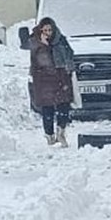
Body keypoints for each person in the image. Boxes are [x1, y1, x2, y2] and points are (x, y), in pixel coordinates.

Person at [29, 17, 76, 147]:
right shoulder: (35, 42)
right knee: (47, 107)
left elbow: (70, 54)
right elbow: (38, 61)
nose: (48, 32)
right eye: (45, 30)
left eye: (50, 30)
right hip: (44, 79)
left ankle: (61, 132)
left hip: (61, 76)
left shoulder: (61, 40)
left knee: (63, 105)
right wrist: (44, 46)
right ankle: (49, 135)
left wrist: (69, 67)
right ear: (40, 30)